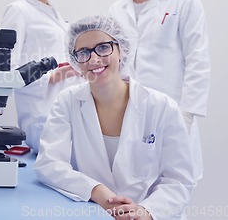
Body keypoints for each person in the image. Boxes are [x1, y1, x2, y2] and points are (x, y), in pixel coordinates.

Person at [34, 15, 194, 220]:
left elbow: (179, 180)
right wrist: (98, 191)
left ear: (121, 50)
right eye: (83, 52)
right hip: (95, 213)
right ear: (75, 61)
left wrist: (145, 212)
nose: (94, 59)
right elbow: (49, 163)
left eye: (103, 47)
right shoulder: (68, 101)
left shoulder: (162, 107)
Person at [109, 0, 210, 183]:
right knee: (133, 186)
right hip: (129, 114)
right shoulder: (116, 10)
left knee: (174, 187)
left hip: (173, 110)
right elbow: (113, 63)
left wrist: (187, 114)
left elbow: (197, 59)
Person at [0, 0, 81, 153]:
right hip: (40, 115)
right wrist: (51, 77)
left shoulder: (52, 12)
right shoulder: (18, 10)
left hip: (64, 109)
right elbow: (6, 72)